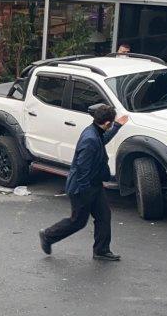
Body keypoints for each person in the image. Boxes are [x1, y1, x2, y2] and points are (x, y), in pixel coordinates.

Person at [38, 104, 129, 262]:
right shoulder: (90, 140)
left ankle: (101, 251)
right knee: (78, 221)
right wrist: (86, 192)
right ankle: (48, 235)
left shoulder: (95, 132)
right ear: (106, 123)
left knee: (104, 216)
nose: (111, 125)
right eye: (112, 124)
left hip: (94, 185)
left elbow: (104, 139)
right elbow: (82, 168)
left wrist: (118, 126)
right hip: (82, 189)